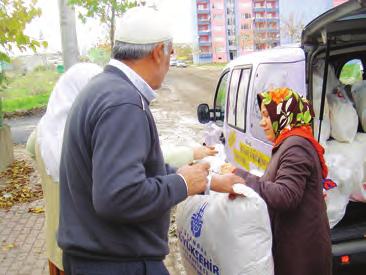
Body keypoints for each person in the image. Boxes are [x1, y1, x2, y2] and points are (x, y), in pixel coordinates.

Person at [57, 7, 243, 275]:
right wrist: (181, 183)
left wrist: (209, 181)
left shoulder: (102, 89)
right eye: (170, 53)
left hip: (98, 258)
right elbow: (118, 197)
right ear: (158, 52)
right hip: (118, 264)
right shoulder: (123, 103)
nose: (169, 64)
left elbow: (142, 171)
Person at [237, 88, 332, 275]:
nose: (262, 123)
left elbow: (285, 196)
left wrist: (240, 177)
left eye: (266, 115)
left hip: (301, 257)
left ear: (283, 113)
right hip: (296, 249)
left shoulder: (296, 146)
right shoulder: (289, 142)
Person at [27, 63, 103, 275]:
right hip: (88, 251)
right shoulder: (90, 133)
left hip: (56, 245)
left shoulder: (44, 129)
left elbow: (29, 149)